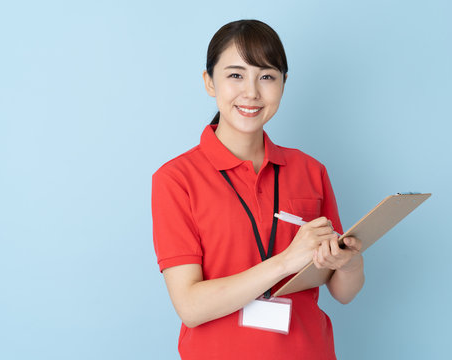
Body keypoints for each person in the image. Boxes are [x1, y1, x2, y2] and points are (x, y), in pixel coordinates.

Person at [152, 19, 365, 360]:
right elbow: (190, 306)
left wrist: (350, 264)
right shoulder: (176, 179)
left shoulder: (311, 170)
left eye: (266, 76)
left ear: (283, 83)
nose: (251, 92)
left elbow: (342, 292)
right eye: (235, 75)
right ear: (209, 82)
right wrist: (284, 262)